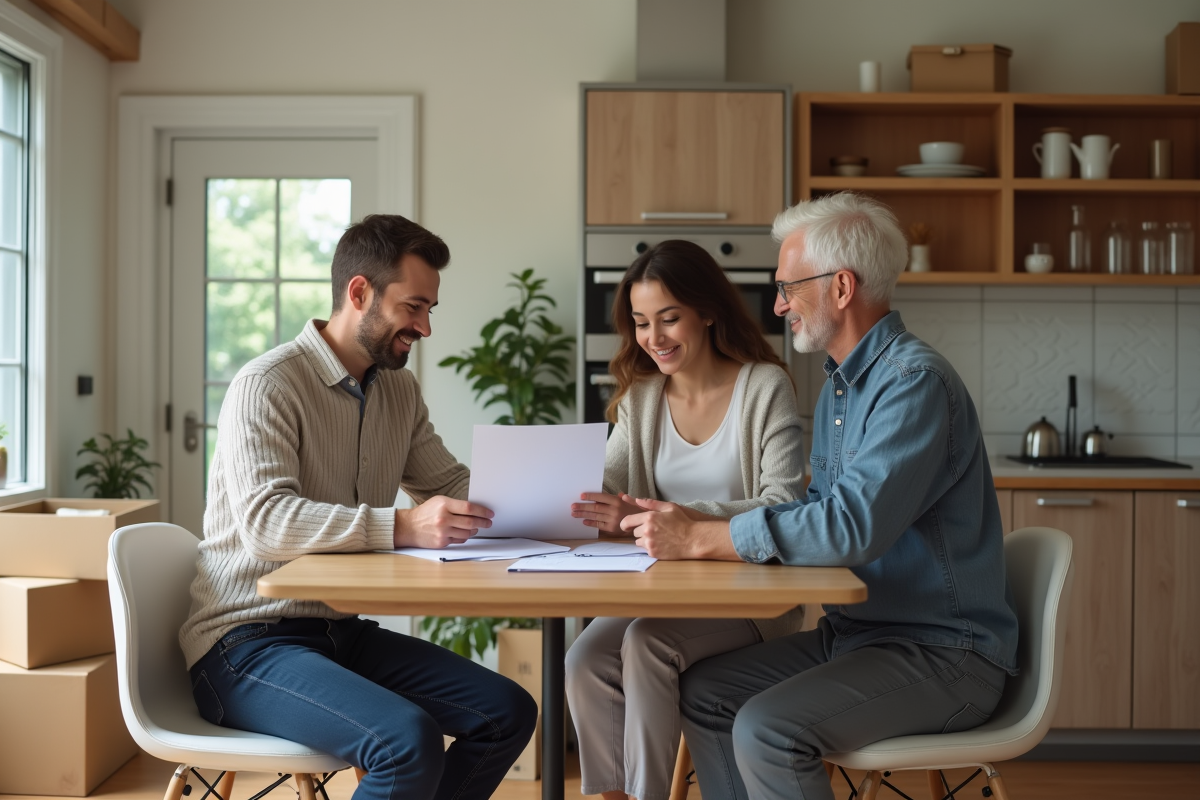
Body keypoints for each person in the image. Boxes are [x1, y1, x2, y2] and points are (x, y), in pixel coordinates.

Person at [619, 194, 1019, 800]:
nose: (779, 305)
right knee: (706, 693)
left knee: (767, 727)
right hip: (861, 636)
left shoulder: (912, 384)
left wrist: (704, 535)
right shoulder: (842, 386)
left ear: (840, 287)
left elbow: (851, 528)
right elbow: (812, 512)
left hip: (944, 653)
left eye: (788, 287)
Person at [179, 215, 537, 800]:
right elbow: (268, 524)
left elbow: (446, 484)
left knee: (507, 711)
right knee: (404, 742)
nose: (424, 327)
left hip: (337, 632)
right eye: (414, 307)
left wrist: (554, 502)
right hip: (244, 644)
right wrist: (404, 526)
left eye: (430, 311)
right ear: (359, 292)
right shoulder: (267, 384)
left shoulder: (398, 390)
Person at [566, 240, 806, 800]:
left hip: (753, 595)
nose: (654, 338)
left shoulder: (763, 388)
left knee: (648, 644)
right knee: (584, 658)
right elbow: (608, 486)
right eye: (642, 322)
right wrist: (567, 496)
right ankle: (615, 795)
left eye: (669, 318)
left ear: (707, 310)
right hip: (664, 591)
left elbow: (785, 504)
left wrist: (685, 520)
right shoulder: (642, 400)